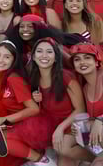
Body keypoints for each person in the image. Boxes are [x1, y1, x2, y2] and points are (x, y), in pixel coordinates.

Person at [28, 38, 87, 166]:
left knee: (63, 148)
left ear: (55, 58)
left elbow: (81, 109)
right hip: (52, 127)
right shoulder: (35, 78)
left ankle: (100, 159)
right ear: (33, 56)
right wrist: (36, 99)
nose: (44, 55)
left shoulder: (66, 77)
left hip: (72, 125)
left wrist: (60, 128)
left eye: (49, 52)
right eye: (39, 51)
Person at [68, 43, 103, 164]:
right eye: (77, 59)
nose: (82, 62)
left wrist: (100, 120)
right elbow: (91, 119)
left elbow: (98, 120)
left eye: (87, 58)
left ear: (97, 62)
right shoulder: (85, 89)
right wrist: (77, 127)